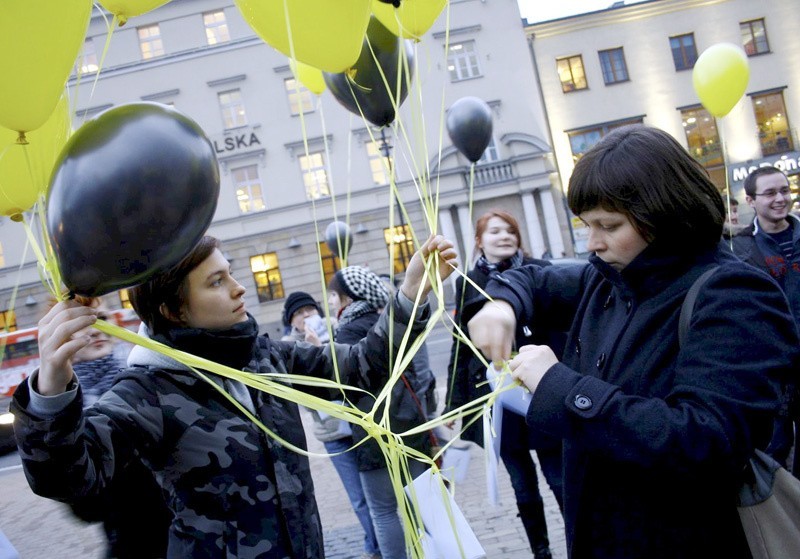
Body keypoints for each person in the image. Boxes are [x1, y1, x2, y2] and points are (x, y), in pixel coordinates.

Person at [11, 234, 457, 559]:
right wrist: (51, 385)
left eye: (230, 274)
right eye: (216, 281)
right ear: (173, 309)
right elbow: (68, 479)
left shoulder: (262, 356)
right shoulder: (149, 391)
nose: (239, 287)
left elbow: (362, 368)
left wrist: (410, 295)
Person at [467, 125, 797, 558]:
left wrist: (562, 387)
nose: (593, 242)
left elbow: (705, 440)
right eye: (587, 225)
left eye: (609, 225)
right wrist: (501, 304)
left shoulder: (732, 294)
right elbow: (536, 278)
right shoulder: (611, 274)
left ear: (664, 214)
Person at [445, 209, 562, 559]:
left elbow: (561, 327)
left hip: (543, 391)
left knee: (560, 478)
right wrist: (453, 402)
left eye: (510, 230)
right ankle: (540, 550)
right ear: (479, 240)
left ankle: (578, 538)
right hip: (501, 400)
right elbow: (461, 345)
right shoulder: (466, 281)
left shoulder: (540, 270)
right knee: (523, 485)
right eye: (495, 231)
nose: (505, 236)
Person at [328, 266, 437, 559]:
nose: (331, 302)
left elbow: (347, 385)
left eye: (333, 296)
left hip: (371, 431)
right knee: (421, 504)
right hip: (409, 424)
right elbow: (419, 371)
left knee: (384, 510)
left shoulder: (346, 331)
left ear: (347, 299)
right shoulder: (386, 321)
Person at [62, 295, 172, 559]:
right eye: (80, 326)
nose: (94, 330)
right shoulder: (69, 405)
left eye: (100, 320)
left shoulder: (144, 377)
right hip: (131, 543)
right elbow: (85, 508)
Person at [281, 291, 380, 559]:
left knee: (376, 491)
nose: (306, 317)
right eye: (300, 314)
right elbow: (307, 399)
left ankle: (378, 541)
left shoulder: (337, 328)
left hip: (360, 424)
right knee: (358, 496)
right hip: (333, 433)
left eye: (309, 310)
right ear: (292, 320)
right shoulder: (288, 346)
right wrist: (313, 351)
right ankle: (376, 546)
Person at [731, 166, 800, 475]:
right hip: (772, 370)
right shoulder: (737, 248)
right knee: (774, 451)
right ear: (750, 200)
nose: (779, 199)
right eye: (770, 193)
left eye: (784, 190)